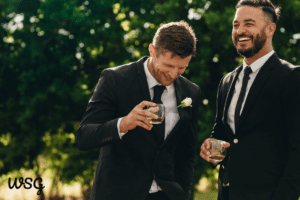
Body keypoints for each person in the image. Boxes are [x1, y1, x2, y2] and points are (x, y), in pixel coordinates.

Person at [76, 21, 201, 200]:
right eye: (168, 65)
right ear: (152, 51)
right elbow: (83, 137)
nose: (173, 74)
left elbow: (186, 153)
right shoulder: (115, 80)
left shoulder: (191, 92)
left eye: (182, 68)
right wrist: (123, 123)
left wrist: (183, 194)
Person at [200, 0, 300, 200]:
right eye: (236, 25)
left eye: (249, 24)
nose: (240, 30)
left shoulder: (291, 77)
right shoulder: (226, 81)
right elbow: (222, 134)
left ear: (270, 29)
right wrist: (211, 145)